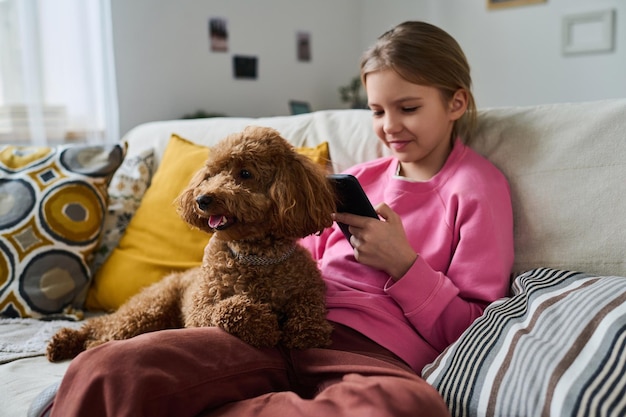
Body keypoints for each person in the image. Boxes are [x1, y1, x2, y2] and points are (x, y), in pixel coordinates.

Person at [46, 21, 513, 417]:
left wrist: (404, 265)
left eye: (408, 108)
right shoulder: (357, 179)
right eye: (376, 110)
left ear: (455, 103)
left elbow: (474, 327)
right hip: (273, 329)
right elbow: (291, 256)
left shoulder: (476, 189)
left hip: (370, 351)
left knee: (407, 404)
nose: (389, 125)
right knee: (108, 368)